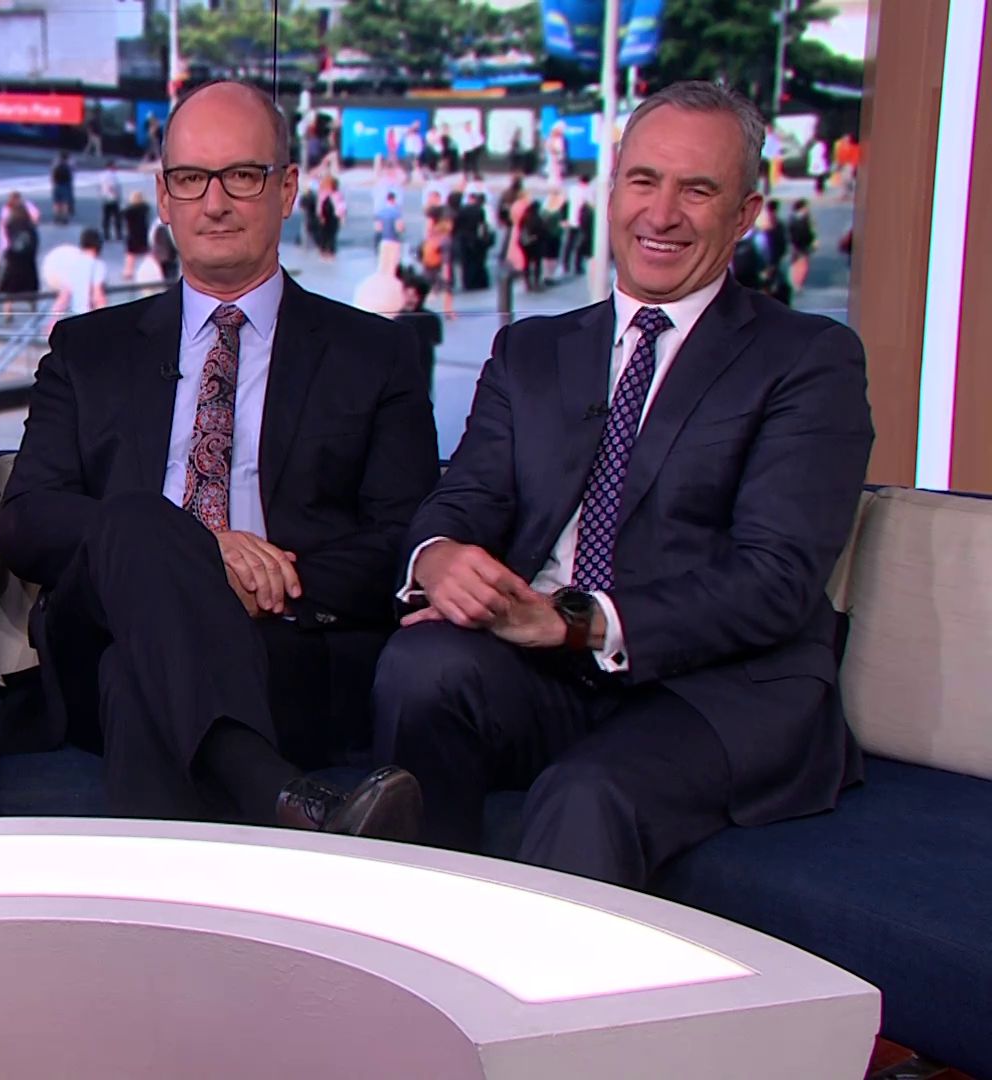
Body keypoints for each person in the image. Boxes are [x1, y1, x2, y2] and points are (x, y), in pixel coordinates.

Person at [373, 81, 874, 889]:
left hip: (713, 689)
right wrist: (438, 556)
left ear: (745, 214)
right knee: (419, 667)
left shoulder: (808, 359)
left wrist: (576, 622)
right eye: (644, 181)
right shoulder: (532, 349)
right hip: (542, 670)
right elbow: (465, 496)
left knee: (586, 795)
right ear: (613, 193)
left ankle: (531, 979)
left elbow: (776, 578)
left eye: (697, 190)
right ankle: (418, 925)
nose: (661, 214)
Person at [0, 81, 439, 834]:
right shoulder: (89, 349)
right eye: (191, 178)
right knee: (139, 521)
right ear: (163, 197)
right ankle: (287, 800)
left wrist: (259, 581)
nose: (215, 202)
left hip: (288, 645)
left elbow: (403, 536)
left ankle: (253, 812)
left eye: (242, 176)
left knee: (136, 678)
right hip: (101, 626)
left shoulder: (375, 353)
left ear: (287, 188)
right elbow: (27, 519)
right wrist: (200, 556)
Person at [45, 227, 108, 332]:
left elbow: (63, 297)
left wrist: (52, 322)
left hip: (74, 318)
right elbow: (98, 296)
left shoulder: (73, 264)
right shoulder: (98, 265)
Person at [786, 198, 816, 294]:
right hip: (797, 246)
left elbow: (810, 232)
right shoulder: (794, 220)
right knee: (800, 266)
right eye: (806, 207)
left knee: (802, 266)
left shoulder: (806, 219)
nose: (808, 209)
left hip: (804, 246)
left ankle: (797, 284)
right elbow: (791, 233)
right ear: (801, 208)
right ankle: (796, 284)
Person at [51, 151, 75, 226]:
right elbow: (72, 174)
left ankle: (57, 217)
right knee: (65, 202)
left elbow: (52, 174)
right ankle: (65, 218)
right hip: (66, 185)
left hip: (57, 184)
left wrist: (53, 183)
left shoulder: (55, 164)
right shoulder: (69, 165)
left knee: (57, 202)